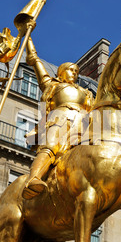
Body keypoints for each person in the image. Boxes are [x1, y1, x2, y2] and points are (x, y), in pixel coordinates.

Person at [23, 37, 94, 199]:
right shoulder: (52, 85)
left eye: (76, 71)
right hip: (59, 118)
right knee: (50, 146)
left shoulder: (86, 93)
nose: (74, 73)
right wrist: (28, 39)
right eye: (71, 70)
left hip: (82, 124)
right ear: (61, 72)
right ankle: (33, 179)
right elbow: (34, 60)